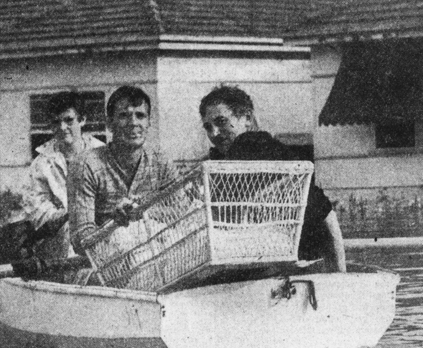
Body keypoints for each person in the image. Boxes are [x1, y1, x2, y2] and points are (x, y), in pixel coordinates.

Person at [199, 85, 347, 273]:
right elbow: (325, 210)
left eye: (222, 122)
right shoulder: (260, 150)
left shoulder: (248, 145)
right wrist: (340, 270)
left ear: (246, 118)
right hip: (303, 252)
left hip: (291, 255)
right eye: (208, 127)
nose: (214, 133)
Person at [68, 86, 178, 254]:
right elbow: (80, 240)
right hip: (105, 266)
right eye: (123, 116)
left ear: (149, 122)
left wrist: (142, 211)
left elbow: (183, 212)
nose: (133, 123)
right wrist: (115, 222)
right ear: (109, 123)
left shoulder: (161, 162)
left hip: (156, 256)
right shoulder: (86, 165)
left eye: (140, 115)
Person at [21, 90, 105, 260]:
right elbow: (36, 209)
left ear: (82, 120)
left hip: (101, 236)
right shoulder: (42, 164)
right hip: (60, 245)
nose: (62, 128)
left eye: (69, 120)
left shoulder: (103, 155)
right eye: (56, 122)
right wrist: (71, 215)